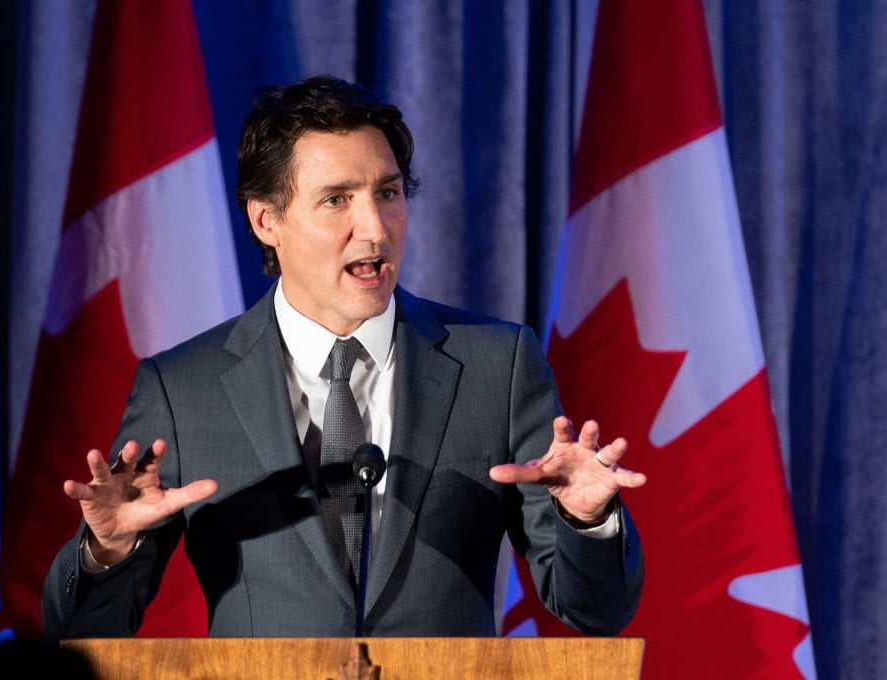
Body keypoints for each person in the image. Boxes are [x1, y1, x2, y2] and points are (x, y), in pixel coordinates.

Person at [42, 75, 646, 640]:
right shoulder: (183, 389)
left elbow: (595, 611)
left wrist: (589, 522)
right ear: (266, 220)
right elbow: (81, 635)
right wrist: (107, 552)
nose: (375, 228)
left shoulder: (499, 364)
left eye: (387, 193)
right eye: (337, 199)